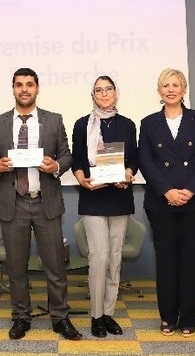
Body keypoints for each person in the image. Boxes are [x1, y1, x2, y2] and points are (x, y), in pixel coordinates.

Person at [0, 67, 82, 341]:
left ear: (37, 88)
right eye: (19, 85)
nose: (24, 89)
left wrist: (56, 165)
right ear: (13, 89)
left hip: (46, 202)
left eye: (29, 84)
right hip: (12, 203)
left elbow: (66, 155)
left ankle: (61, 318)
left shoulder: (53, 120)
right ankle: (20, 317)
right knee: (16, 268)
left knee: (55, 267)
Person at [138, 68, 195, 337]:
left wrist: (191, 190)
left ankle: (189, 318)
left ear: (184, 89)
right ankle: (168, 316)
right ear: (159, 91)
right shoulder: (148, 123)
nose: (170, 90)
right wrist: (167, 191)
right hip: (161, 203)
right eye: (165, 86)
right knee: (167, 260)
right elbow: (146, 161)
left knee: (191, 259)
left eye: (175, 85)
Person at [71, 75, 138, 338]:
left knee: (114, 258)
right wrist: (81, 180)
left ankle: (109, 313)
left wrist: (129, 174)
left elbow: (134, 158)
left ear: (116, 93)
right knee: (98, 258)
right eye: (98, 90)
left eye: (108, 89)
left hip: (120, 197)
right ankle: (96, 315)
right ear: (93, 95)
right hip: (93, 198)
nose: (104, 94)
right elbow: (77, 159)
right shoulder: (81, 125)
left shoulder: (128, 124)